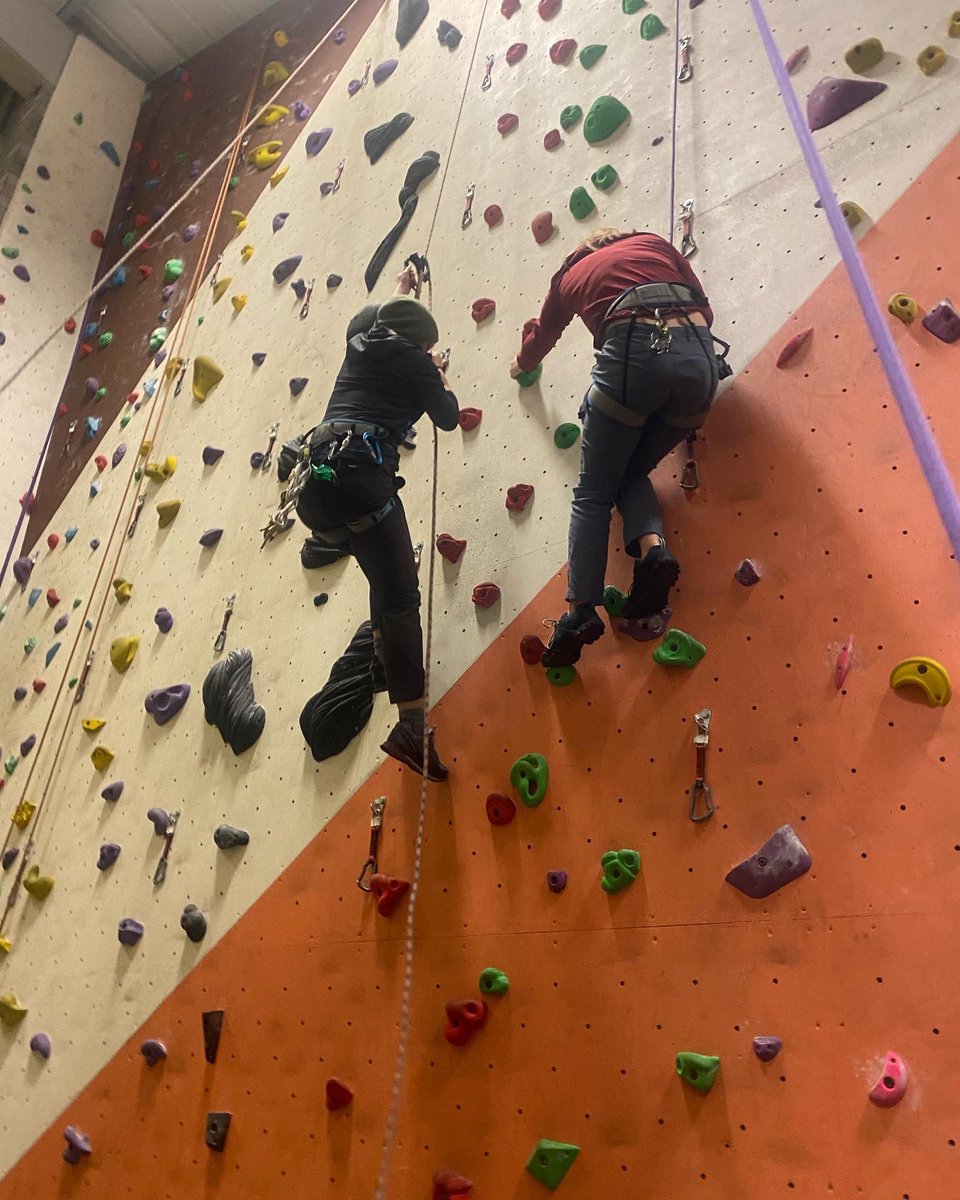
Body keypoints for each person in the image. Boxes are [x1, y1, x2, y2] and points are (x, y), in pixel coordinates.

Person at [510, 227, 726, 668]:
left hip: (633, 354)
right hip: (699, 366)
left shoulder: (568, 276)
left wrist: (521, 365)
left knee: (592, 493)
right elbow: (704, 306)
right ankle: (653, 550)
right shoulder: (653, 243)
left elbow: (543, 336)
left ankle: (579, 612)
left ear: (578, 253)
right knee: (627, 472)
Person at [294, 266, 459, 780]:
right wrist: (438, 371)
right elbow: (449, 416)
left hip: (317, 487)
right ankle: (411, 724)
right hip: (362, 482)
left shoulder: (360, 339)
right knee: (400, 596)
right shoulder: (418, 363)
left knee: (381, 577)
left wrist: (405, 286)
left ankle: (386, 665)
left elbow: (377, 310)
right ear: (421, 343)